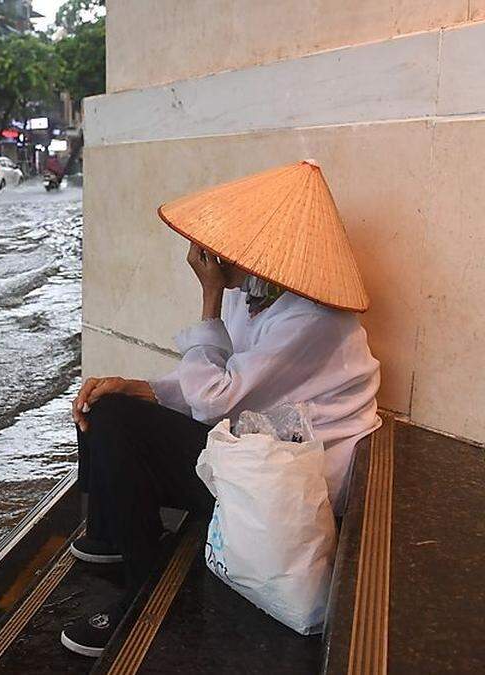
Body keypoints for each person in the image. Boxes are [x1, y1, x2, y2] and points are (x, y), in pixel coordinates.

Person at [59, 161, 381, 658]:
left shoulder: (313, 319)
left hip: (305, 476)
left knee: (119, 424)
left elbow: (213, 400)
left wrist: (208, 296)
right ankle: (111, 530)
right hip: (262, 439)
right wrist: (139, 386)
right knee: (108, 401)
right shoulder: (253, 294)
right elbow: (220, 380)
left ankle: (139, 591)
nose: (212, 257)